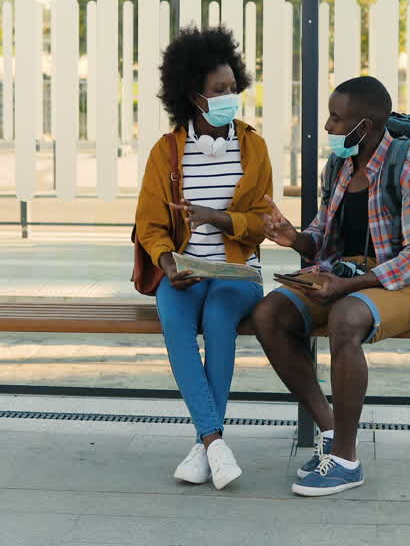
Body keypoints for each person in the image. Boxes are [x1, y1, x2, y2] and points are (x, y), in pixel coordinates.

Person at [254, 75, 410, 497]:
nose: (328, 128)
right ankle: (329, 430)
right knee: (269, 314)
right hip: (345, 274)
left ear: (367, 125)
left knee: (344, 317)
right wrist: (294, 238)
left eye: (337, 120)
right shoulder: (340, 165)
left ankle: (345, 459)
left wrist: (348, 286)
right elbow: (323, 234)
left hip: (399, 281)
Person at [134, 25, 273, 489]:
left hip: (237, 273)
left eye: (234, 88)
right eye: (220, 90)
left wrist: (219, 217)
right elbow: (150, 225)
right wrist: (167, 260)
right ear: (195, 96)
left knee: (219, 320)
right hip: (185, 271)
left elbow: (262, 222)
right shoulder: (167, 152)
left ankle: (205, 442)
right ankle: (213, 442)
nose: (231, 96)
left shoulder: (253, 147)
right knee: (174, 321)